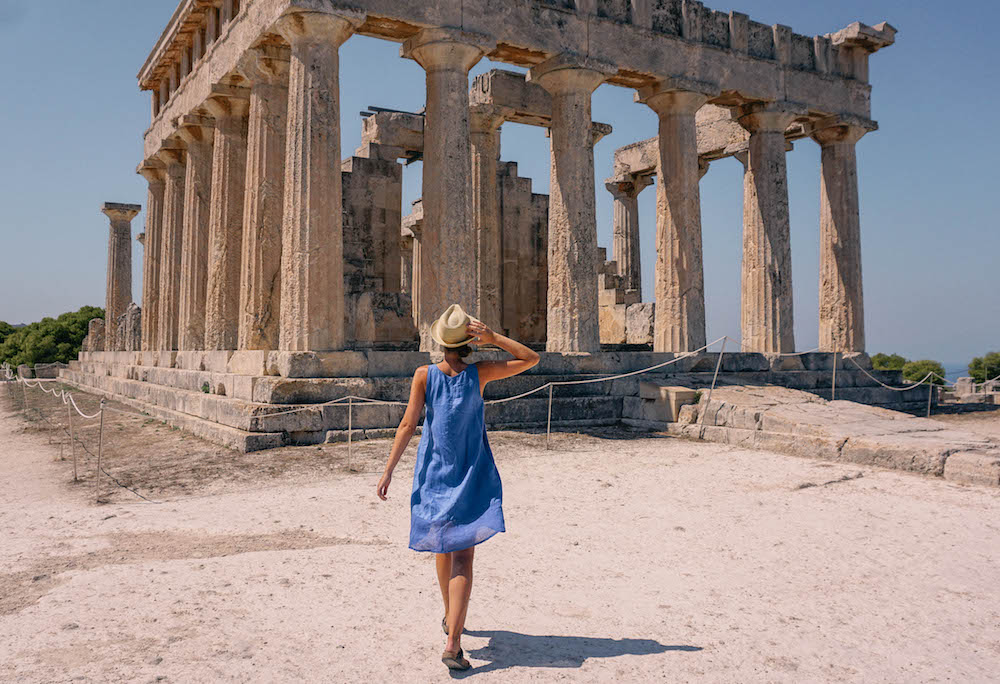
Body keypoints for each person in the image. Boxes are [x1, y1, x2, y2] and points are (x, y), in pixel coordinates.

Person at [377, 303, 540, 671]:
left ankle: (451, 618)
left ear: (440, 343)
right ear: (468, 341)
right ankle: (453, 640)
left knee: (442, 547)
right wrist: (494, 338)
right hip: (471, 474)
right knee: (463, 555)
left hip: (434, 474)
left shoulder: (423, 375)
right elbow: (530, 359)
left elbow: (407, 426)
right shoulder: (480, 373)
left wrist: (388, 471)